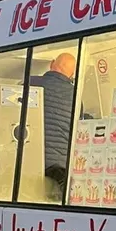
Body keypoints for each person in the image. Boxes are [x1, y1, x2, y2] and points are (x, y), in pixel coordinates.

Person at [36, 52, 76, 192]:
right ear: (71, 75)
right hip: (59, 168)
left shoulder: (29, 84)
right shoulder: (75, 95)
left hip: (31, 162)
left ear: (52, 63)